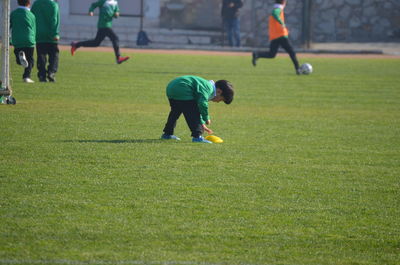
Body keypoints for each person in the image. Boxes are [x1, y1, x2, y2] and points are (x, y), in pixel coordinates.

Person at [161, 75, 234, 143]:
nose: (218, 102)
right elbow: (202, 104)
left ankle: (167, 134)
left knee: (175, 112)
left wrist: (202, 123)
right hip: (183, 89)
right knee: (192, 113)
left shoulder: (206, 85)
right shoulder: (208, 88)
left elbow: (198, 106)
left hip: (172, 88)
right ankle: (197, 137)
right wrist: (206, 118)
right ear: (219, 91)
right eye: (221, 99)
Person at [70, 0, 130, 65]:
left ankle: (76, 45)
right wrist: (91, 11)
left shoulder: (115, 2)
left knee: (96, 43)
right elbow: (93, 5)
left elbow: (117, 12)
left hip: (108, 25)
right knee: (115, 38)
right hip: (103, 25)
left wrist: (116, 14)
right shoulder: (103, 1)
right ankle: (118, 58)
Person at [252, 0, 300, 75]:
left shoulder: (276, 8)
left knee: (272, 54)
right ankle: (298, 69)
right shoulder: (278, 9)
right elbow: (275, 14)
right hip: (281, 35)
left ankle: (257, 54)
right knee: (291, 52)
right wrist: (282, 23)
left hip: (275, 36)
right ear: (283, 2)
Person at [31, 0, 60, 82]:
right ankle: (51, 72)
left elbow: (32, 17)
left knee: (41, 55)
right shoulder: (54, 4)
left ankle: (42, 75)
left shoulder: (36, 3)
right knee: (54, 55)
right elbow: (55, 20)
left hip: (39, 33)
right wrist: (55, 33)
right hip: (51, 34)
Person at [10, 0, 36, 83]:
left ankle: (20, 56)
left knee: (19, 60)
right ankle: (26, 76)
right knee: (30, 60)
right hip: (29, 40)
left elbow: (8, 25)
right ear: (29, 3)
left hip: (17, 40)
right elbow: (34, 29)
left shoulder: (13, 14)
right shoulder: (31, 15)